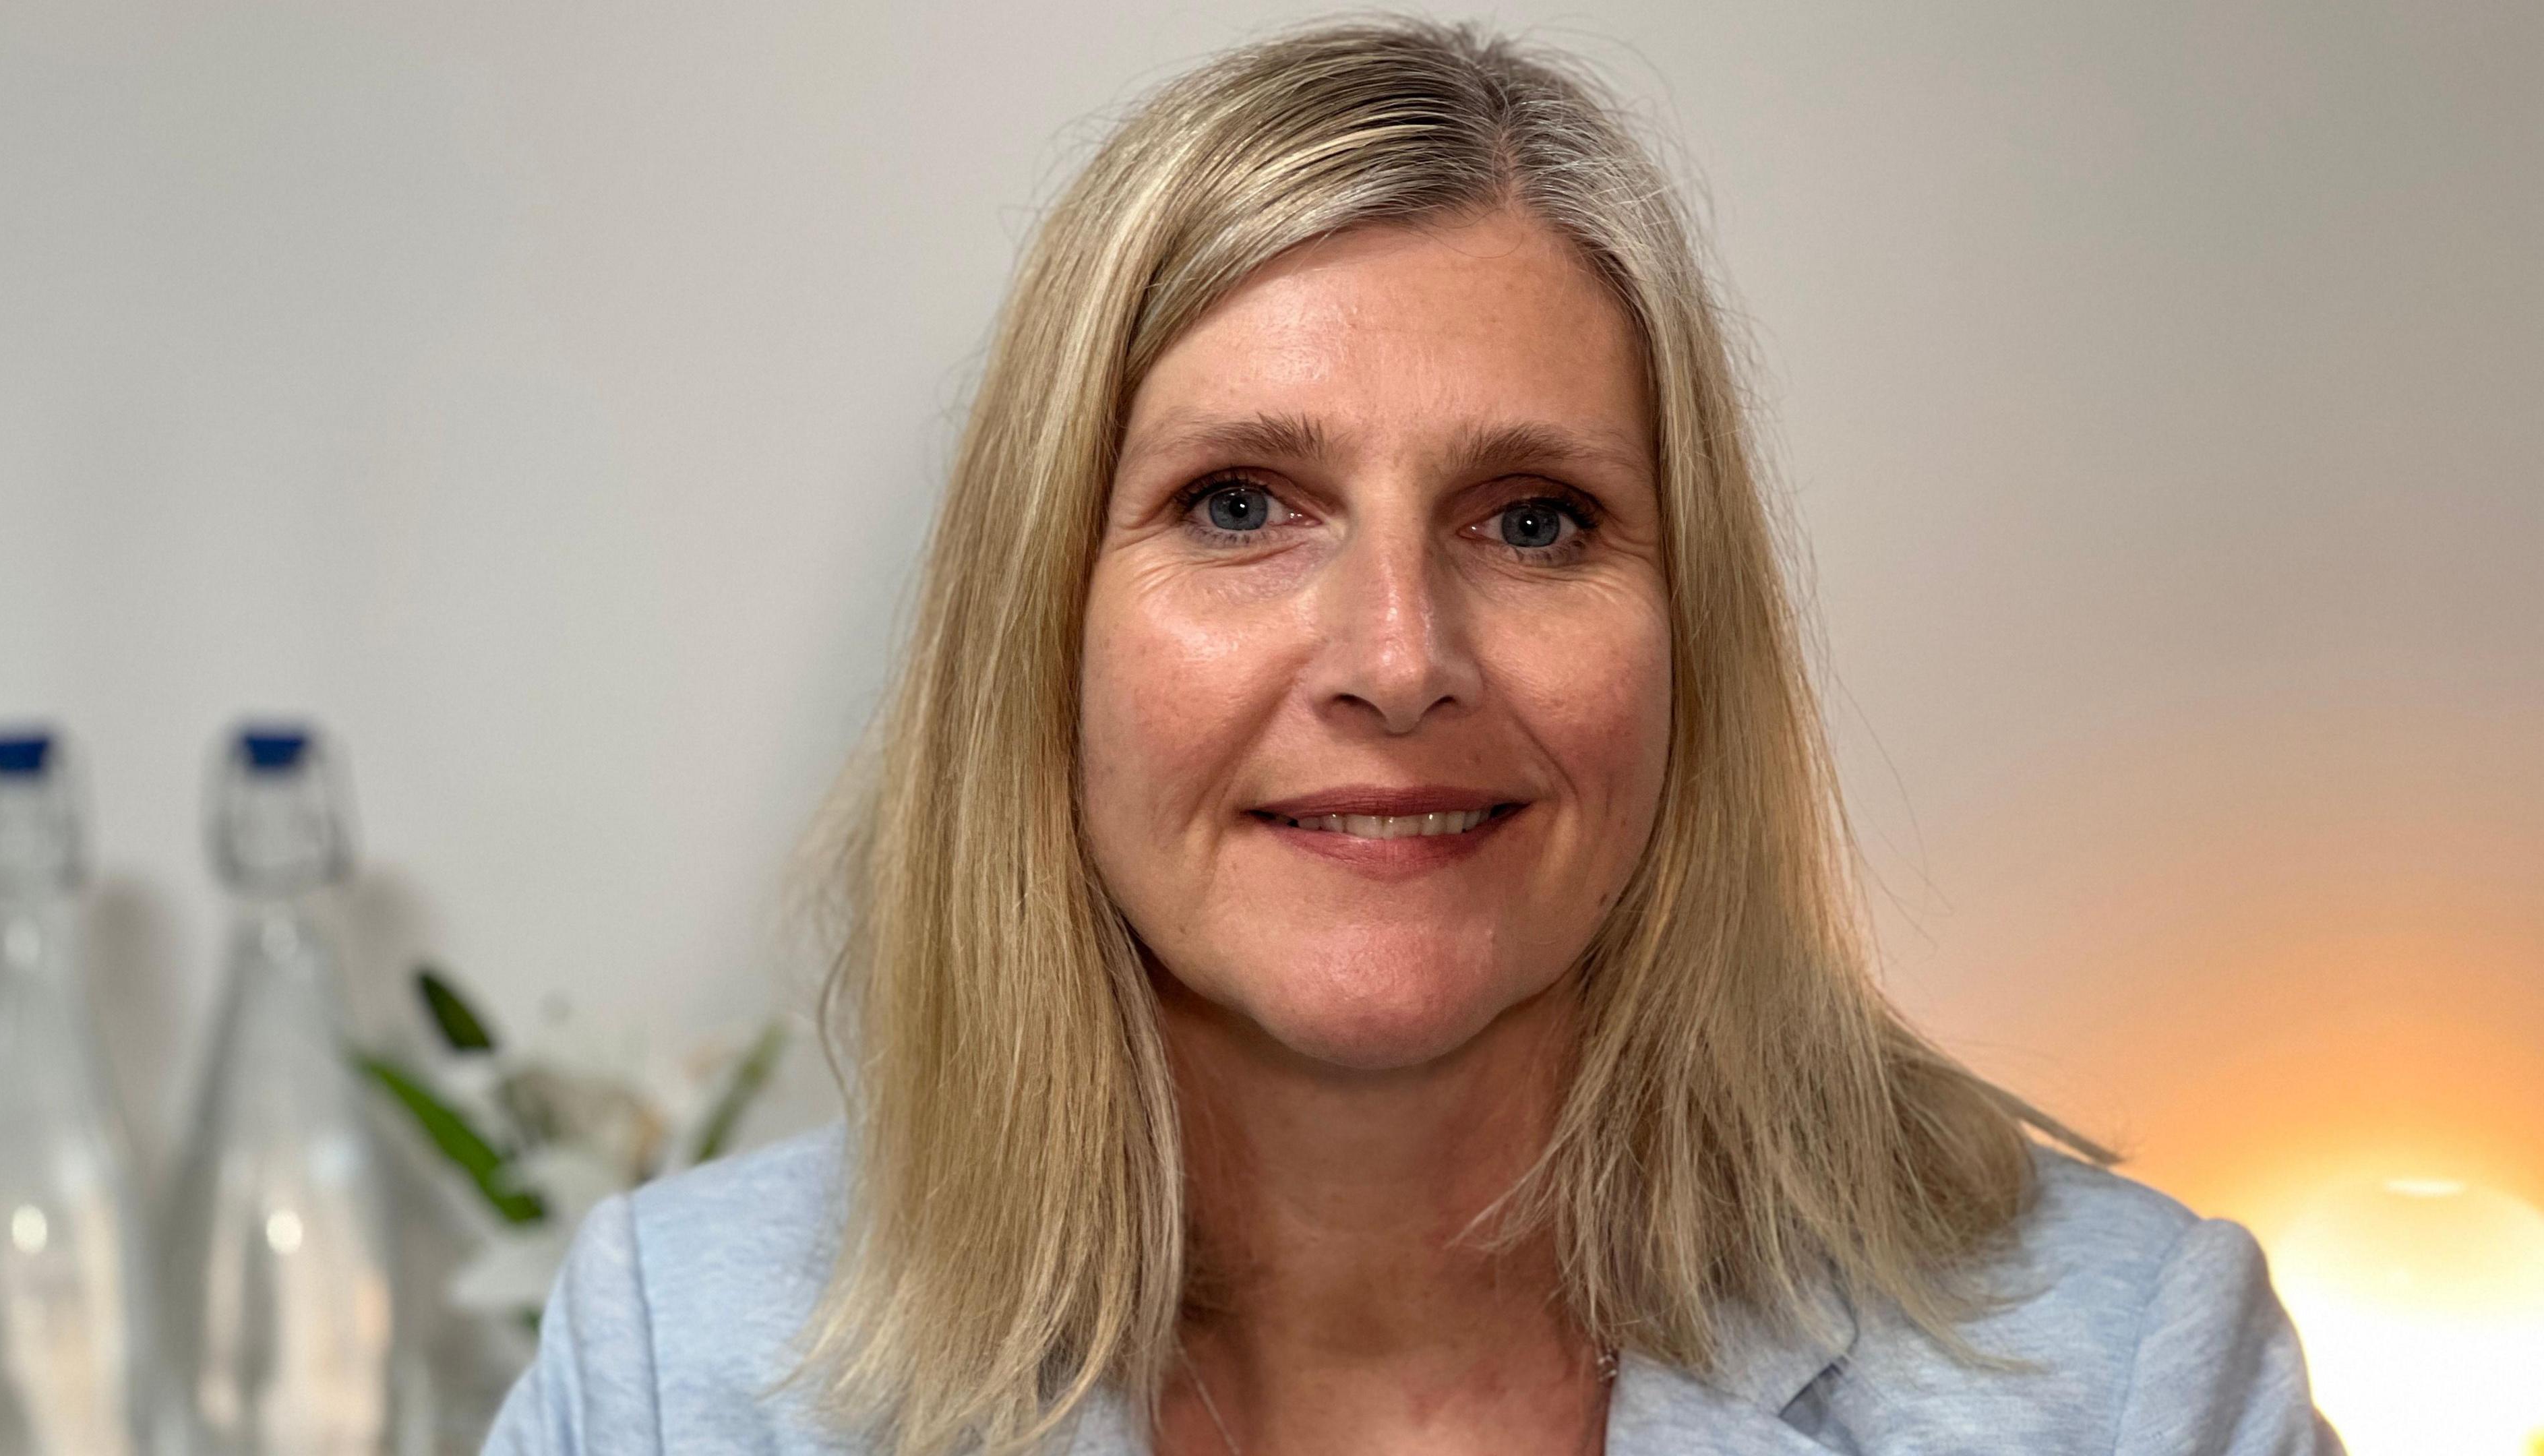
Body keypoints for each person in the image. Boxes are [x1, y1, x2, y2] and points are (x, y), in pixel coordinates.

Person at [483, 18, 2340, 1456]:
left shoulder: (2116, 1375)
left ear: (1694, 644)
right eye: (1238, 507)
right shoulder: (684, 1362)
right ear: (1037, 632)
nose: (1397, 657)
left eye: (1534, 519)